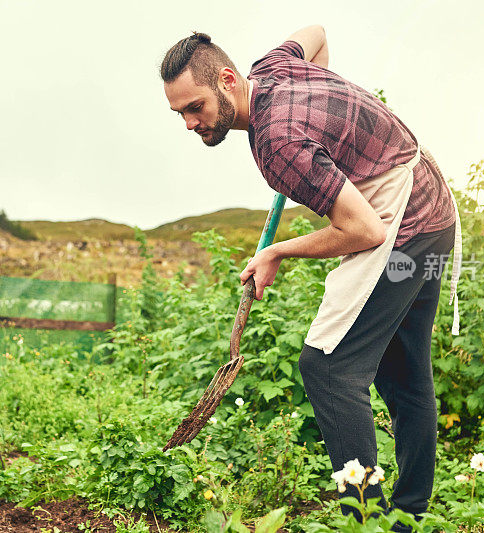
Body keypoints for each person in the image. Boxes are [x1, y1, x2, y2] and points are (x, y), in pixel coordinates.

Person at [160, 25, 462, 530]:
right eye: (180, 114)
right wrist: (321, 116)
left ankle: (363, 518)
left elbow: (363, 229)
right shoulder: (274, 67)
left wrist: (278, 250)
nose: (190, 123)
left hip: (401, 221)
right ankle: (410, 518)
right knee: (403, 373)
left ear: (228, 81)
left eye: (196, 108)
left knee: (328, 368)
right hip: (434, 206)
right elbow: (317, 35)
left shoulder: (277, 143)